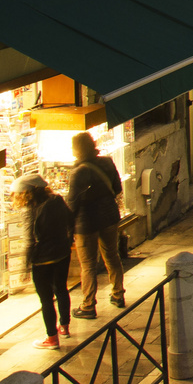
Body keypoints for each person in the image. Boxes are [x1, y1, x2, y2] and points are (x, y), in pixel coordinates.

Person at [66, 132, 125, 317]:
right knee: (112, 256)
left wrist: (67, 230)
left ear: (77, 150)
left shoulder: (78, 172)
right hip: (108, 217)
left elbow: (72, 204)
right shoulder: (107, 162)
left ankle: (88, 305)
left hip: (86, 223)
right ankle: (118, 295)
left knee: (88, 264)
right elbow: (117, 188)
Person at [13, 174, 72, 350]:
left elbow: (29, 241)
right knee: (61, 289)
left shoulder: (28, 211)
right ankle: (64, 327)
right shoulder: (57, 200)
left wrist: (25, 267)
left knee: (46, 300)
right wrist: (67, 242)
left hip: (42, 260)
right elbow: (70, 220)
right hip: (62, 253)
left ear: (26, 194)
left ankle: (51, 338)